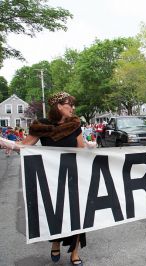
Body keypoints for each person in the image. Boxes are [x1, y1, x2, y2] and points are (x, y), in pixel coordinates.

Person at [1, 92, 87, 265]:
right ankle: (55, 241)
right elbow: (24, 145)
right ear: (59, 106)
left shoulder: (75, 124)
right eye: (69, 104)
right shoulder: (42, 126)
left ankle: (75, 252)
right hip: (52, 178)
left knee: (78, 215)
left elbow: (82, 150)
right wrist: (6, 143)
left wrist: (90, 148)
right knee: (56, 213)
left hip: (73, 176)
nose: (73, 108)